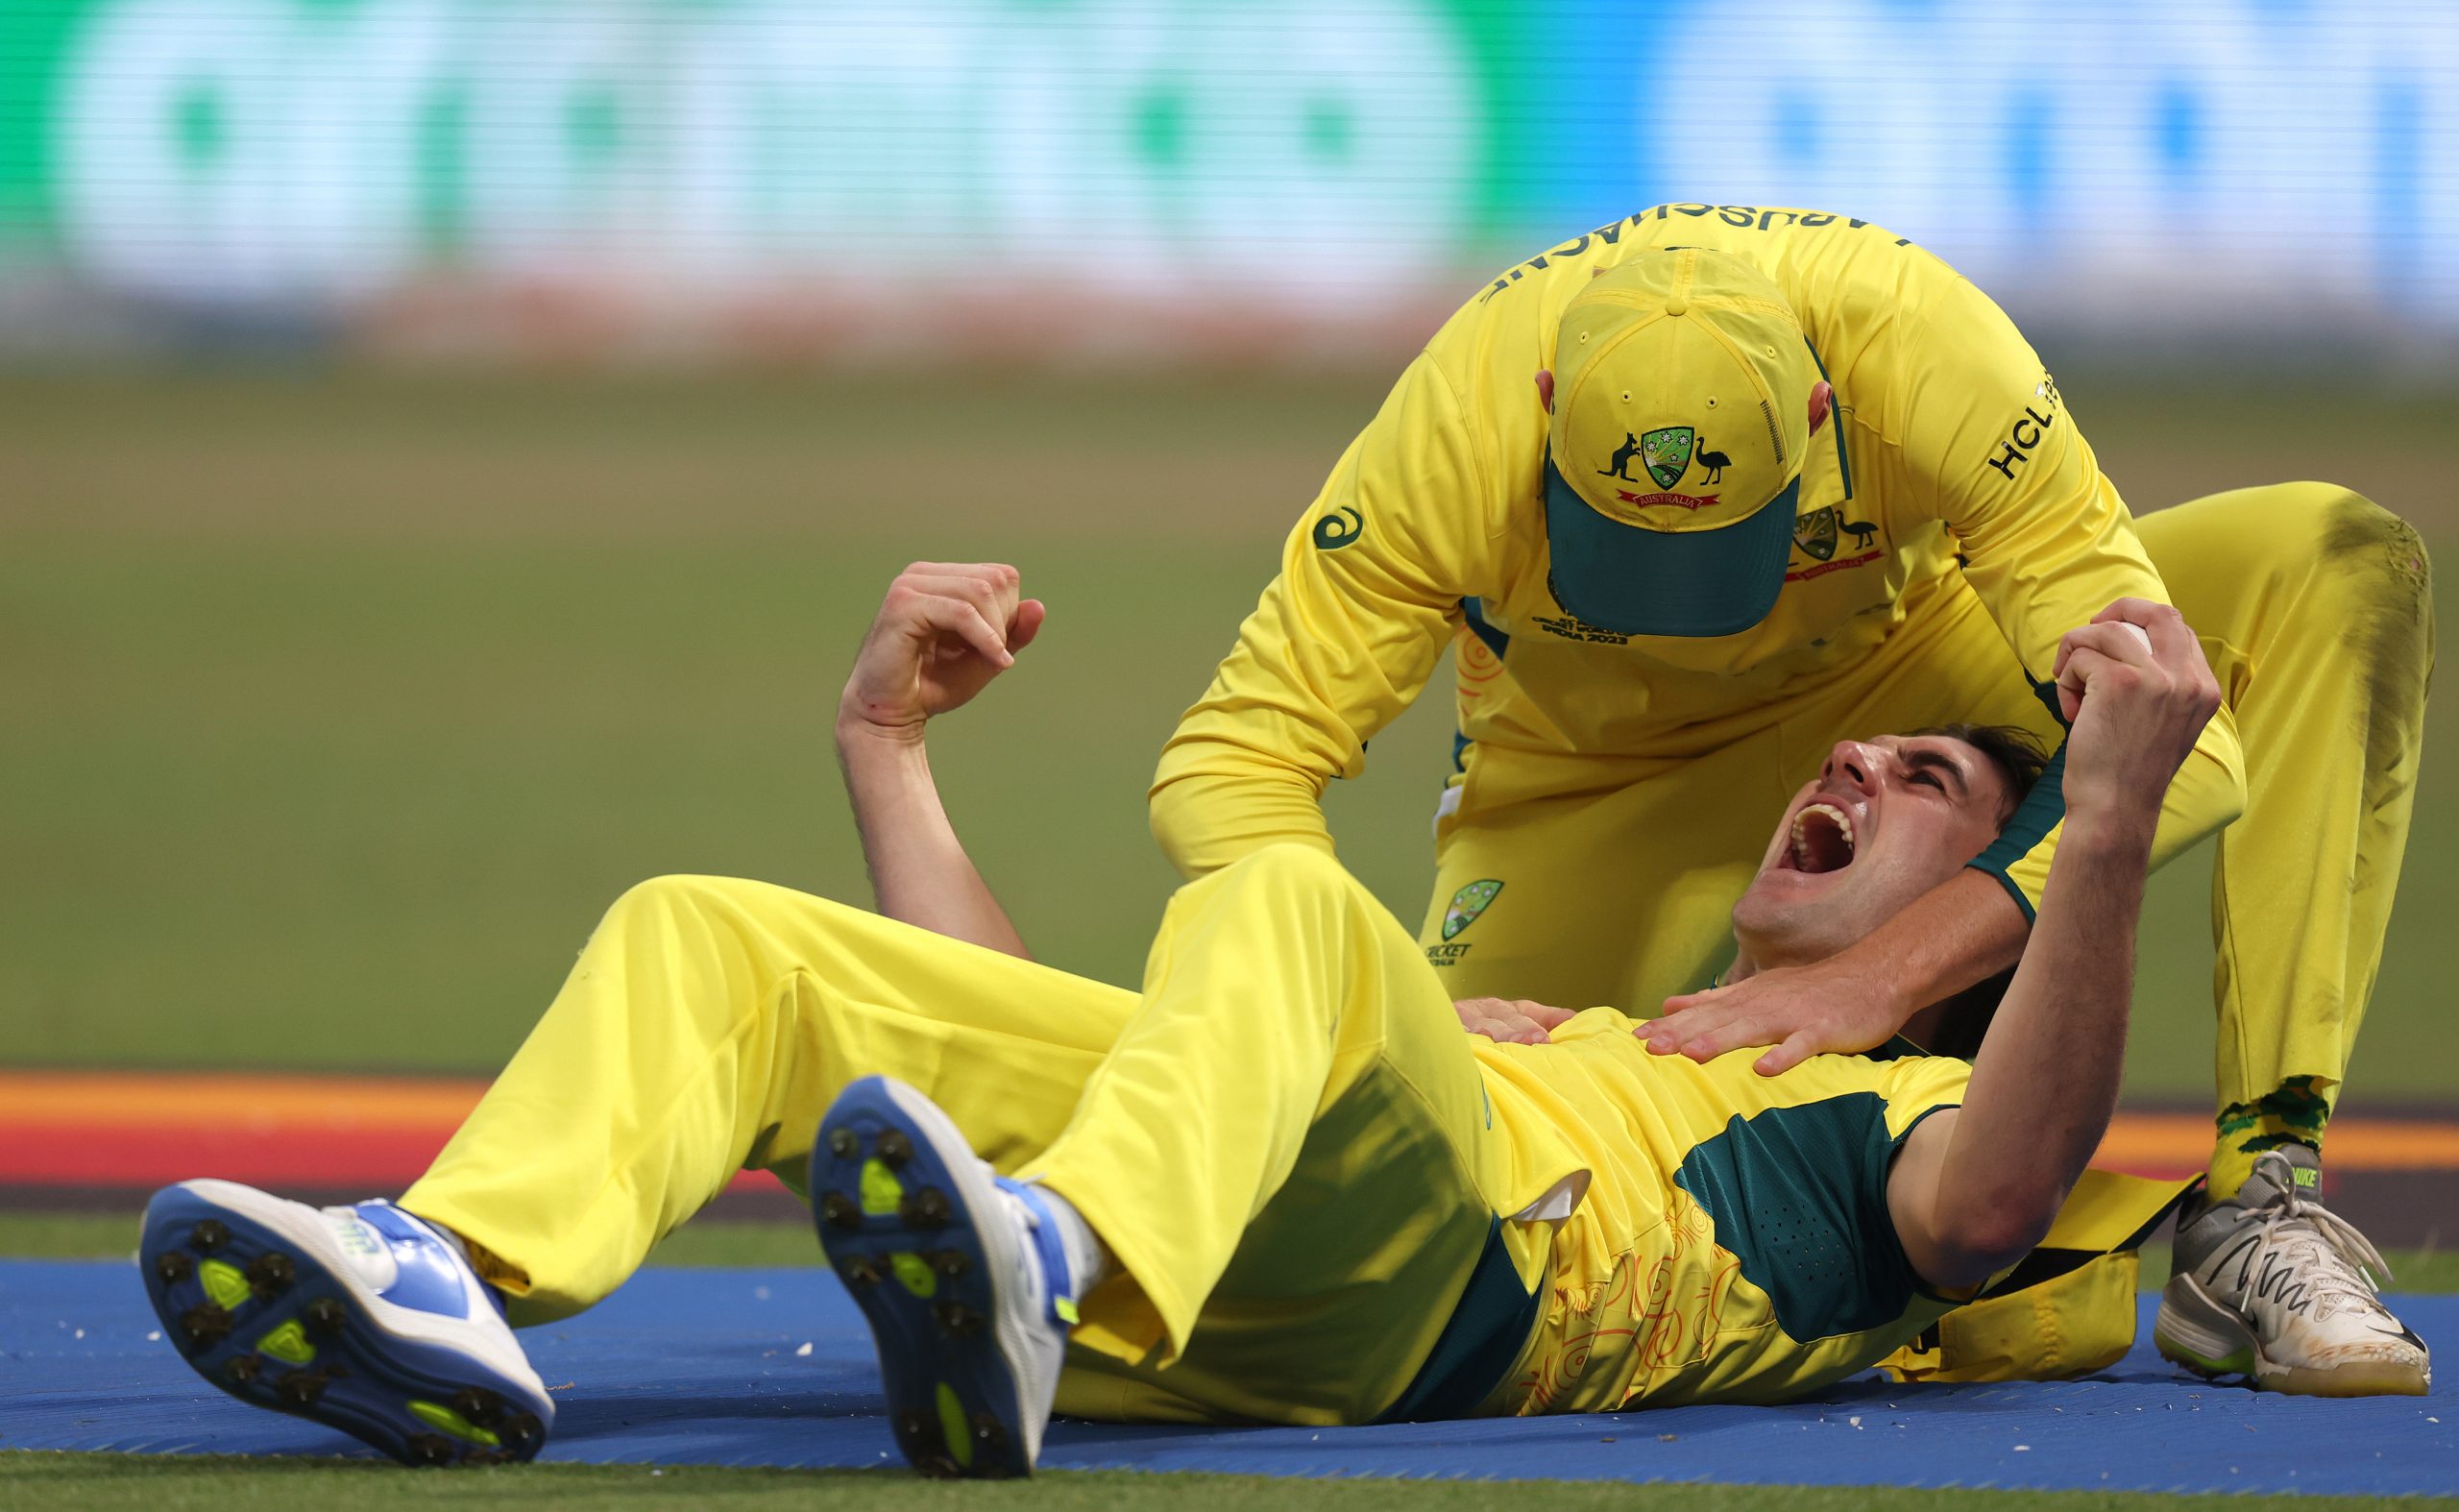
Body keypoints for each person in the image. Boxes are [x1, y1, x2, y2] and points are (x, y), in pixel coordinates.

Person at [140, 559, 2410, 1480]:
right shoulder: (1573, 1021)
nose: (1852, 770)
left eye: (1927, 787)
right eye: (1857, 751)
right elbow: (1049, 1039)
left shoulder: (1892, 1097)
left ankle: (1046, 1272)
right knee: (720, 936)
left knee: (1290, 918)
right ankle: (459, 1280)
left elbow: (1996, 1199)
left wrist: (2096, 832)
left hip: (1463, 1302)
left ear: (1991, 921)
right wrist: (889, 757)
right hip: (1222, 1247)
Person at [1148, 204, 2435, 1392]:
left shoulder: (1925, 351)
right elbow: (1235, 763)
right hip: (1593, 773)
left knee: (2333, 559)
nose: (1679, 608)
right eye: (1631, 548)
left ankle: (2257, 1200)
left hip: (1901, 673)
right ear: (1542, 411)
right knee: (1401, 1140)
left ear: (1823, 412)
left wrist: (1873, 979)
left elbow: (2177, 731)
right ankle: (1999, 1249)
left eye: (1715, 549)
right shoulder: (1451, 428)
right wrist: (1354, 986)